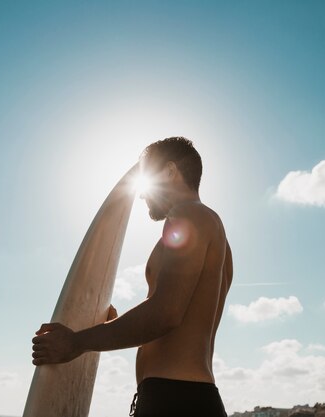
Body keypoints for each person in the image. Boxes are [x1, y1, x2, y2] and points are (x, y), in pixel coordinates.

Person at [32, 137, 233, 417]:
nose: (141, 194)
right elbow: (180, 322)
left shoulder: (187, 216)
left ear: (170, 172)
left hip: (173, 399)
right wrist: (112, 325)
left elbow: (166, 313)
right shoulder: (217, 236)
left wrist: (76, 342)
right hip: (189, 396)